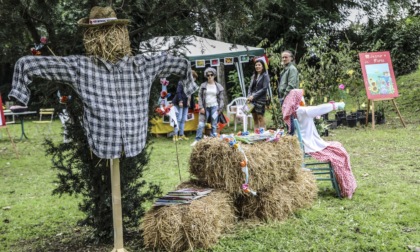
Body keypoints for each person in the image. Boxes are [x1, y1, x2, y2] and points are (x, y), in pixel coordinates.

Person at [8, 6, 198, 159]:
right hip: (103, 142)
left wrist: (189, 89)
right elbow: (28, 64)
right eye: (98, 32)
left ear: (121, 33)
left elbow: (180, 64)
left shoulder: (143, 65)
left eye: (110, 31)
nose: (105, 37)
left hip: (135, 139)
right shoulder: (81, 67)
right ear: (91, 37)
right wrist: (19, 95)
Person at [282, 89, 357, 199]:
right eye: (301, 97)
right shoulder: (302, 111)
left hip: (308, 143)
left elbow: (315, 110)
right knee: (340, 154)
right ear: (297, 100)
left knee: (338, 147)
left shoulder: (295, 112)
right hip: (310, 145)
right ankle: (346, 187)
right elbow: (319, 109)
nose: (303, 99)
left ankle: (348, 185)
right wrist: (335, 105)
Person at [191, 67, 225, 147]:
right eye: (208, 75)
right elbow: (199, 97)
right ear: (206, 76)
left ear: (214, 75)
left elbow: (221, 99)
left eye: (211, 74)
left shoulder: (219, 86)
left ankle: (213, 141)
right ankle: (197, 140)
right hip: (205, 107)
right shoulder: (203, 86)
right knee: (201, 124)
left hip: (215, 107)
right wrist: (201, 107)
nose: (209, 76)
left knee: (213, 125)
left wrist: (219, 109)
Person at [172, 70, 197, 142]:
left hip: (186, 104)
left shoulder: (191, 85)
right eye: (193, 77)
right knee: (178, 119)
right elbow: (178, 92)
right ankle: (175, 135)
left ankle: (181, 135)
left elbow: (191, 95)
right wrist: (180, 101)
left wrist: (191, 104)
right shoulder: (181, 82)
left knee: (183, 120)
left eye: (194, 78)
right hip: (179, 102)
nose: (194, 79)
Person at [246, 59, 269, 131]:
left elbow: (264, 89)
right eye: (256, 65)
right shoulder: (253, 76)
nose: (257, 66)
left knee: (260, 117)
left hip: (260, 99)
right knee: (254, 118)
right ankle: (256, 133)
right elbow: (250, 88)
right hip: (252, 99)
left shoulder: (265, 76)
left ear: (262, 66)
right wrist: (249, 96)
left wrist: (254, 96)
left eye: (259, 65)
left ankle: (263, 134)